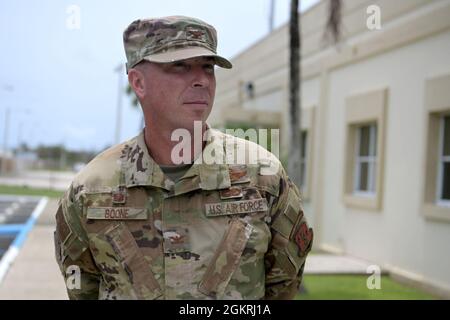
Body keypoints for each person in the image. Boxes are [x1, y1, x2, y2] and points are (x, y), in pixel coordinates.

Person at [54, 15, 313, 300]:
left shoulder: (263, 177)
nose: (202, 80)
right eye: (180, 66)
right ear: (138, 83)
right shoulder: (90, 190)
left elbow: (284, 284)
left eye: (207, 67)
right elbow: (82, 288)